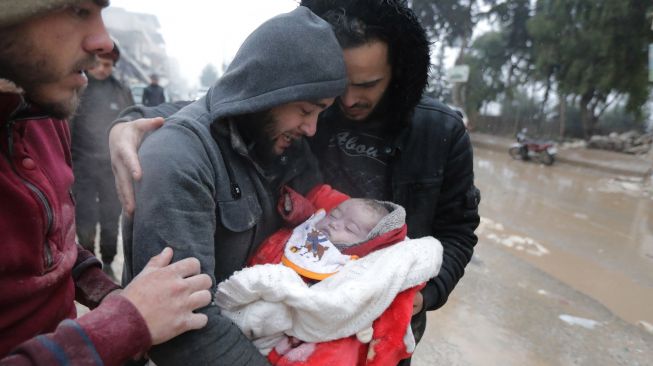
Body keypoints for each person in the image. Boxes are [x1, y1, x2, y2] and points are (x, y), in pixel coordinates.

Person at [109, 0, 481, 362]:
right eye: (338, 87)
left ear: (397, 75)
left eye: (366, 84)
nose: (347, 100)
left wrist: (422, 294)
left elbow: (459, 231)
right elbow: (231, 102)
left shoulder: (440, 132)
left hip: (383, 332)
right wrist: (135, 122)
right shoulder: (297, 120)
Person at [119, 7, 348, 366]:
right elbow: (184, 329)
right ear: (265, 92)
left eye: (320, 113)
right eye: (306, 110)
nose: (311, 128)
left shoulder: (281, 144)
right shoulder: (180, 159)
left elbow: (316, 225)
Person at [0, 1, 213, 365]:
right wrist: (126, 323)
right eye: (77, 10)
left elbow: (51, 248)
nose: (104, 41)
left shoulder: (43, 113)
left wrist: (110, 295)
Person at [216, 184, 443, 366]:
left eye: (350, 229)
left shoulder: (353, 266)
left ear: (366, 243)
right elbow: (309, 215)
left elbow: (342, 303)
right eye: (335, 214)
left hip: (302, 323)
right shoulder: (312, 228)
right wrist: (293, 207)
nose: (334, 225)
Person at [69, 41, 134, 281]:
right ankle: (88, 265)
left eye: (109, 64)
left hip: (111, 169)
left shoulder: (121, 90)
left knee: (110, 216)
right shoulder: (75, 88)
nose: (103, 69)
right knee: (84, 218)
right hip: (81, 167)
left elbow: (130, 122)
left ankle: (107, 262)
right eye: (99, 63)